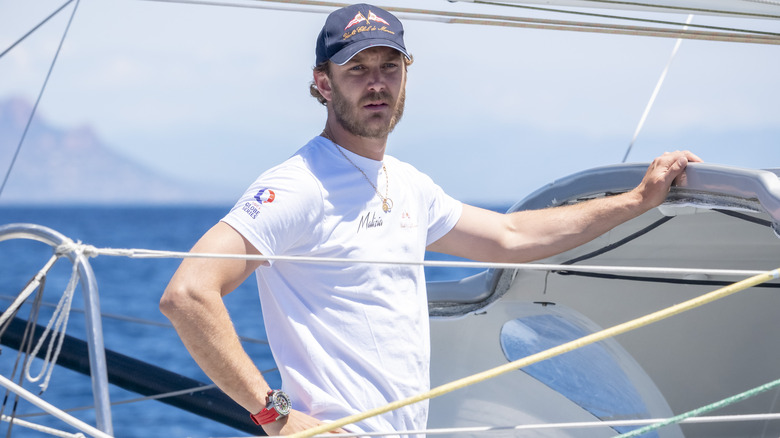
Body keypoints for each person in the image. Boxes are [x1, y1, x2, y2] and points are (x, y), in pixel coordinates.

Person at [160, 3, 702, 436]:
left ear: (405, 75)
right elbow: (188, 293)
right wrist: (275, 415)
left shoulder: (407, 183)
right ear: (323, 83)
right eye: (357, 69)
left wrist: (636, 201)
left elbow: (511, 237)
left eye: (389, 67)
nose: (376, 83)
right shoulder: (300, 184)